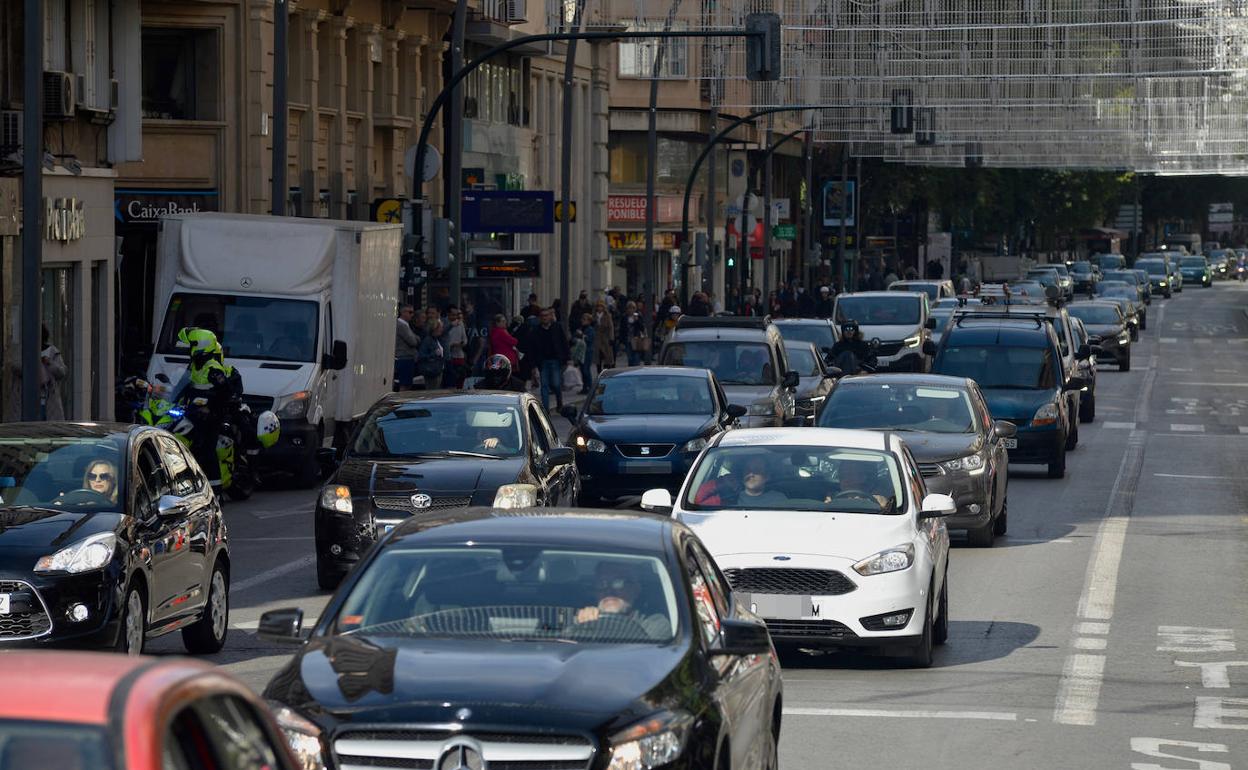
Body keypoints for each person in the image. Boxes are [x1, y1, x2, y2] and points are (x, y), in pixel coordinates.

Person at [178, 327, 236, 489]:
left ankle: (216, 490)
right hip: (194, 414)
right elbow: (184, 386)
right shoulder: (195, 365)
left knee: (207, 450)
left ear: (200, 345)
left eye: (191, 345)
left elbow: (226, 392)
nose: (188, 349)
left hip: (211, 416)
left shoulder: (213, 368)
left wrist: (210, 408)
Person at [573, 561, 671, 640]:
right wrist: (582, 626)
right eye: (602, 583)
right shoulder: (579, 620)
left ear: (636, 590)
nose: (609, 591)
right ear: (595, 592)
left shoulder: (654, 624)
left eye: (619, 582)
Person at [523, 308, 570, 412]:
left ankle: (559, 402)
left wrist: (567, 358)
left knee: (556, 384)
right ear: (540, 318)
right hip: (542, 361)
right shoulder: (536, 330)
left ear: (550, 316)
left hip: (556, 360)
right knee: (544, 386)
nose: (544, 318)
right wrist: (533, 365)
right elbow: (532, 348)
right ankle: (546, 409)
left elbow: (564, 342)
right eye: (542, 316)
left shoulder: (557, 327)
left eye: (546, 315)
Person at [38, 325, 68, 420]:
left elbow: (62, 372)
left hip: (49, 398)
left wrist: (49, 363)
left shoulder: (53, 352)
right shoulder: (26, 350)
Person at [394, 305, 419, 391]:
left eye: (412, 312)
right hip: (404, 358)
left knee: (407, 384)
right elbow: (413, 341)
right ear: (402, 312)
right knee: (404, 385)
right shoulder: (401, 325)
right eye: (410, 312)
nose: (412, 315)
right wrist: (416, 338)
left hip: (407, 358)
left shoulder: (406, 325)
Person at [443, 306, 468, 388]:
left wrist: (461, 343)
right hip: (448, 356)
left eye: (456, 314)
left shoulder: (460, 324)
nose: (455, 317)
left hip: (459, 355)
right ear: (448, 314)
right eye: (452, 314)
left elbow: (465, 339)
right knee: (450, 380)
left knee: (460, 378)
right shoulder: (443, 323)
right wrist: (450, 345)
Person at [417, 319, 446, 389]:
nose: (442, 329)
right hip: (431, 371)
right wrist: (433, 354)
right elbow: (421, 355)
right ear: (435, 329)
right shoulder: (428, 340)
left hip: (438, 370)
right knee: (431, 390)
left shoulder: (437, 339)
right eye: (440, 328)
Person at [593, 301, 615, 373]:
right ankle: (599, 371)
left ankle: (607, 370)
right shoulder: (594, 315)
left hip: (605, 337)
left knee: (607, 356)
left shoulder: (607, 315)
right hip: (597, 338)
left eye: (601, 306)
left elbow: (611, 327)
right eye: (598, 307)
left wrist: (611, 338)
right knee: (598, 357)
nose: (599, 308)